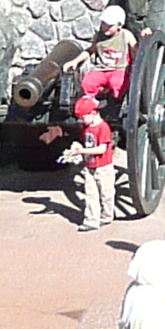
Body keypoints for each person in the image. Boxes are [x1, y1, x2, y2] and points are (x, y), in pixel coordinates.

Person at [73, 93, 119, 232]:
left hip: (103, 167)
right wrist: (76, 151)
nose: (82, 120)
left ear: (93, 113)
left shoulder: (103, 128)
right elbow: (85, 144)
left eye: (83, 117)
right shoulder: (86, 128)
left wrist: (82, 151)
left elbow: (102, 149)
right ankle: (91, 220)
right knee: (90, 194)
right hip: (89, 167)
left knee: (106, 194)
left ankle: (107, 215)